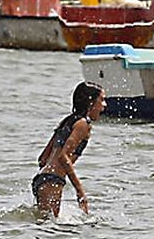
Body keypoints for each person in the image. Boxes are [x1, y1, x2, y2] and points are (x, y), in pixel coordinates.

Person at [32, 82, 105, 219]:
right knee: (49, 227)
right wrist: (80, 191)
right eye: (101, 100)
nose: (104, 105)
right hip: (53, 181)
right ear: (91, 102)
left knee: (45, 223)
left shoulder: (67, 121)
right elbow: (63, 156)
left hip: (42, 179)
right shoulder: (83, 125)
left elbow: (42, 158)